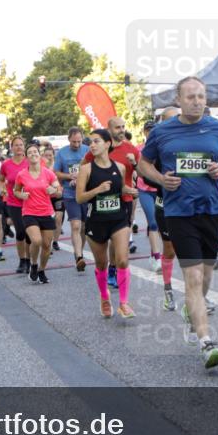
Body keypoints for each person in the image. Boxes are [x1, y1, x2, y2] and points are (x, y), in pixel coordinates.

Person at [139, 77, 218, 369]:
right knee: (193, 277)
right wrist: (160, 179)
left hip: (211, 210)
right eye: (190, 97)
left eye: (200, 96)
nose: (197, 101)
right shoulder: (162, 132)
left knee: (206, 275)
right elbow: (143, 164)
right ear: (178, 100)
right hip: (179, 212)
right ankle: (206, 342)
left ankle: (191, 311)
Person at [78, 129, 137, 317]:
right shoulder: (86, 169)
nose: (92, 145)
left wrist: (129, 190)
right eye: (90, 142)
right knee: (102, 264)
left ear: (107, 144)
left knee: (122, 260)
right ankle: (104, 297)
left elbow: (119, 188)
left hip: (119, 218)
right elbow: (80, 198)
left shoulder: (120, 167)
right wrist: (97, 190)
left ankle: (124, 303)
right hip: (96, 221)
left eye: (96, 141)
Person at [84, 117, 139, 288]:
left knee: (118, 240)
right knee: (104, 240)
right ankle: (105, 267)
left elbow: (141, 171)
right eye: (117, 127)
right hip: (100, 201)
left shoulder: (131, 149)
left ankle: (114, 268)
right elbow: (83, 168)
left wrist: (134, 164)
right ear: (109, 130)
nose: (121, 130)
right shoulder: (98, 148)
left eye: (123, 127)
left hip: (124, 200)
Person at [13, 143, 60, 283]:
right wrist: (21, 195)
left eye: (35, 152)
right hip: (29, 212)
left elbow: (59, 190)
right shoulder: (22, 174)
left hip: (46, 212)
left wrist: (54, 190)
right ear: (26, 157)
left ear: (39, 155)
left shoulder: (48, 173)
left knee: (46, 245)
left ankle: (41, 270)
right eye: (30, 152)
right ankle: (33, 264)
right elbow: (16, 191)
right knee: (37, 240)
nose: (33, 154)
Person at [151, 106, 181, 311]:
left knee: (194, 251)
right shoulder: (158, 144)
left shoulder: (193, 140)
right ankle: (168, 290)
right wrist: (162, 179)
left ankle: (199, 294)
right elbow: (145, 172)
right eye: (169, 120)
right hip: (166, 205)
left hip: (190, 204)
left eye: (176, 119)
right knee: (170, 250)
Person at [54, 127, 91, 272]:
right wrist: (70, 176)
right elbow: (56, 173)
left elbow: (93, 169)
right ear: (69, 139)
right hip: (70, 194)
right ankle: (79, 257)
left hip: (86, 193)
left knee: (84, 227)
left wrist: (82, 178)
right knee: (76, 225)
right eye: (74, 142)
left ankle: (78, 251)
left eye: (79, 141)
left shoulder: (88, 150)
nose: (77, 144)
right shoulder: (62, 153)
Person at [0, 137, 31, 274]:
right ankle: (22, 260)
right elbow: (1, 180)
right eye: (16, 145)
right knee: (21, 231)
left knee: (30, 232)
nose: (19, 147)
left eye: (21, 145)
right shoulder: (6, 164)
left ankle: (30, 260)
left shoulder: (30, 162)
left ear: (24, 146)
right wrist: (2, 188)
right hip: (14, 202)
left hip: (30, 201)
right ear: (11, 148)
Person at [135, 122, 164, 273]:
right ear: (144, 132)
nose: (151, 132)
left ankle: (154, 254)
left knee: (161, 224)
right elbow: (135, 169)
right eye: (148, 130)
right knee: (153, 222)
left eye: (153, 130)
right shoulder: (139, 149)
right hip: (144, 189)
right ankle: (157, 257)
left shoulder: (163, 146)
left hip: (160, 189)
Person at [41, 146, 64, 254]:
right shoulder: (41, 167)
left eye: (50, 155)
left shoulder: (57, 165)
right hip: (46, 197)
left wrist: (61, 188)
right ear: (43, 156)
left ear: (53, 155)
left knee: (58, 218)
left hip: (58, 195)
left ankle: (55, 241)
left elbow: (62, 177)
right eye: (46, 155)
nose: (48, 157)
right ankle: (48, 244)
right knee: (49, 221)